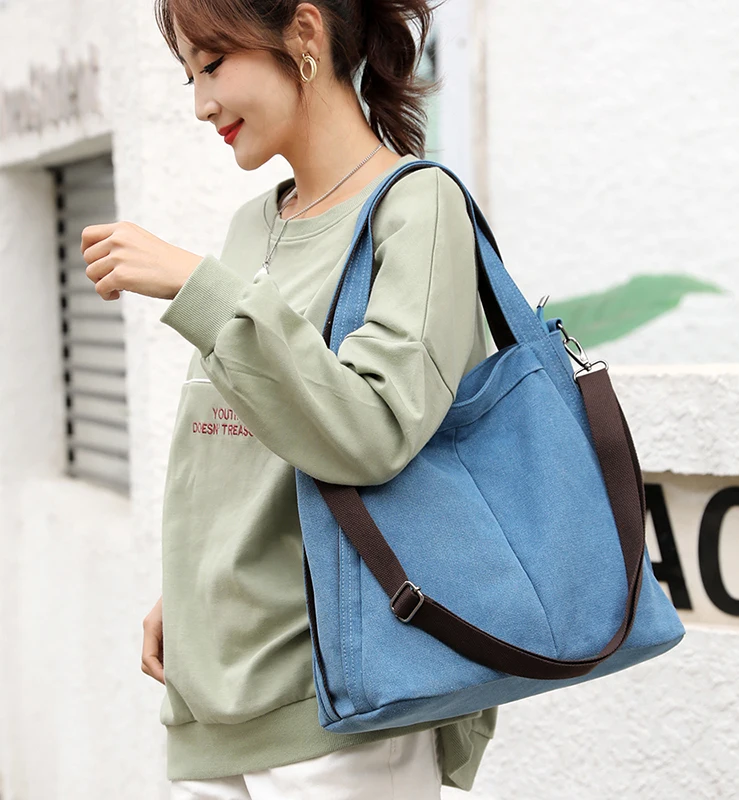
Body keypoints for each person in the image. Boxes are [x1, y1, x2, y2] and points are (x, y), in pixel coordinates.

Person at [82, 1, 498, 797]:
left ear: (304, 35)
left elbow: (372, 430)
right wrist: (198, 588)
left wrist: (195, 285)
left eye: (213, 65)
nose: (201, 103)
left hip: (340, 711)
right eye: (189, 76)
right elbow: (242, 451)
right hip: (212, 699)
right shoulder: (254, 226)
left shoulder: (418, 208)